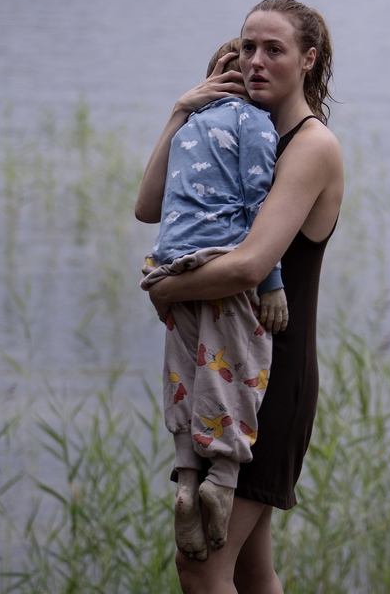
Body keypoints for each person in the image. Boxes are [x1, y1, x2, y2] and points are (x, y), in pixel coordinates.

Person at [136, 0, 343, 594]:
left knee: (200, 570)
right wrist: (182, 112)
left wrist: (167, 287)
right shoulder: (229, 131)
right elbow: (149, 207)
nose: (255, 60)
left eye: (273, 49)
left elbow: (251, 265)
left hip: (268, 381)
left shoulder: (310, 146)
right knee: (252, 571)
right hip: (222, 368)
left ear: (307, 60)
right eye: (247, 46)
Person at [139, 38, 289, 561]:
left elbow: (149, 208)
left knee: (184, 369)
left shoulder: (189, 129)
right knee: (236, 368)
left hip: (170, 260)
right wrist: (272, 283)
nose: (257, 67)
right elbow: (258, 204)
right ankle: (220, 479)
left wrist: (182, 108)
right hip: (221, 263)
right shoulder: (256, 124)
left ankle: (185, 476)